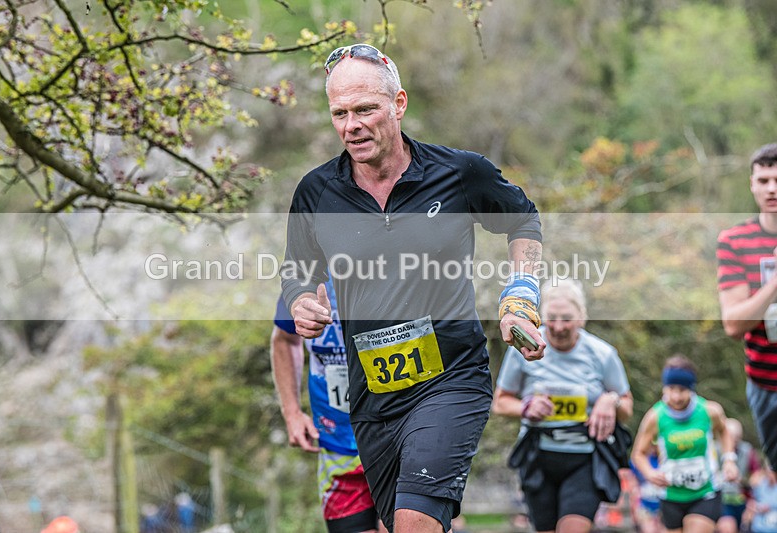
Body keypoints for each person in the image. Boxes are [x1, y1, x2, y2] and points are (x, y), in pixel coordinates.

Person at [280, 43, 544, 533]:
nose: (351, 126)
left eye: (365, 109)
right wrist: (300, 301)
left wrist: (521, 295)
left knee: (415, 522)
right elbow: (296, 271)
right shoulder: (316, 193)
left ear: (398, 104)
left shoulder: (459, 173)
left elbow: (523, 221)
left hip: (451, 379)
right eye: (339, 113)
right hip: (373, 397)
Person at [492, 279, 633, 533]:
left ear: (581, 317)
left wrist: (610, 400)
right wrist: (526, 408)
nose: (558, 327)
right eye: (551, 319)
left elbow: (627, 408)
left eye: (566, 319)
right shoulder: (524, 349)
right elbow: (500, 403)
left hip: (585, 458)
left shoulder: (602, 354)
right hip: (538, 456)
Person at [271, 280, 383, 533]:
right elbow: (285, 339)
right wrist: (291, 412)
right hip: (337, 443)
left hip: (397, 436)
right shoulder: (305, 277)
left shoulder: (396, 268)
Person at [717, 142, 777, 482]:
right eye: (764, 180)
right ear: (752, 184)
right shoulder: (735, 241)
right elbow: (733, 324)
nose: (772, 189)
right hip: (766, 382)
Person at [631, 355, 739, 533]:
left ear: (691, 388)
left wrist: (729, 460)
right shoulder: (655, 417)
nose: (676, 396)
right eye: (671, 389)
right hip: (671, 494)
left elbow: (724, 430)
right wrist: (649, 473)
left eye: (682, 390)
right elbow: (638, 453)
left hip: (705, 491)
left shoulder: (709, 411)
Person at [717, 418, 761, 533]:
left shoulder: (747, 450)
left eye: (736, 437)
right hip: (721, 497)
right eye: (731, 436)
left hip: (742, 497)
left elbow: (757, 475)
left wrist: (744, 481)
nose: (733, 440)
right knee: (728, 527)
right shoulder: (715, 449)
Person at [747, 464, 777, 533]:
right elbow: (751, 502)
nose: (770, 474)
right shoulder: (760, 485)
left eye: (772, 472)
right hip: (759, 527)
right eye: (768, 472)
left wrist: (769, 507)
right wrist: (757, 507)